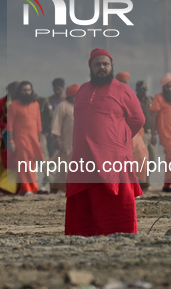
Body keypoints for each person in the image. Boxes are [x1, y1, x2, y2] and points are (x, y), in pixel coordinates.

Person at [65, 48, 145, 236]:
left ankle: (122, 235)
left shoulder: (123, 90)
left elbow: (138, 120)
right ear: (90, 67)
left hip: (113, 157)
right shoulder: (83, 90)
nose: (102, 67)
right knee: (84, 203)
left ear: (111, 67)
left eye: (105, 64)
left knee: (117, 201)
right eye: (97, 64)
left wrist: (118, 140)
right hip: (83, 158)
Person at [7, 80, 43, 195]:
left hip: (34, 139)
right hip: (20, 139)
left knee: (31, 163)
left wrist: (39, 141)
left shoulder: (36, 104)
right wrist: (11, 141)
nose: (27, 92)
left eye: (28, 90)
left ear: (31, 91)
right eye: (24, 90)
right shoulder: (13, 105)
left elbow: (38, 124)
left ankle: (33, 188)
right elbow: (10, 125)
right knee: (23, 163)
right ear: (20, 91)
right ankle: (26, 188)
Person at [0, 81, 20, 195]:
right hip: (5, 137)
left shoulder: (22, 102)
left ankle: (17, 188)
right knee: (3, 162)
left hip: (21, 137)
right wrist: (6, 126)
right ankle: (3, 187)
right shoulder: (2, 102)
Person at [49, 83, 79, 193]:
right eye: (76, 95)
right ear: (70, 95)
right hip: (66, 143)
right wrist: (58, 139)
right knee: (64, 168)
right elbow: (56, 123)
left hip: (80, 143)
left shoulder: (82, 106)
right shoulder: (63, 106)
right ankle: (55, 189)